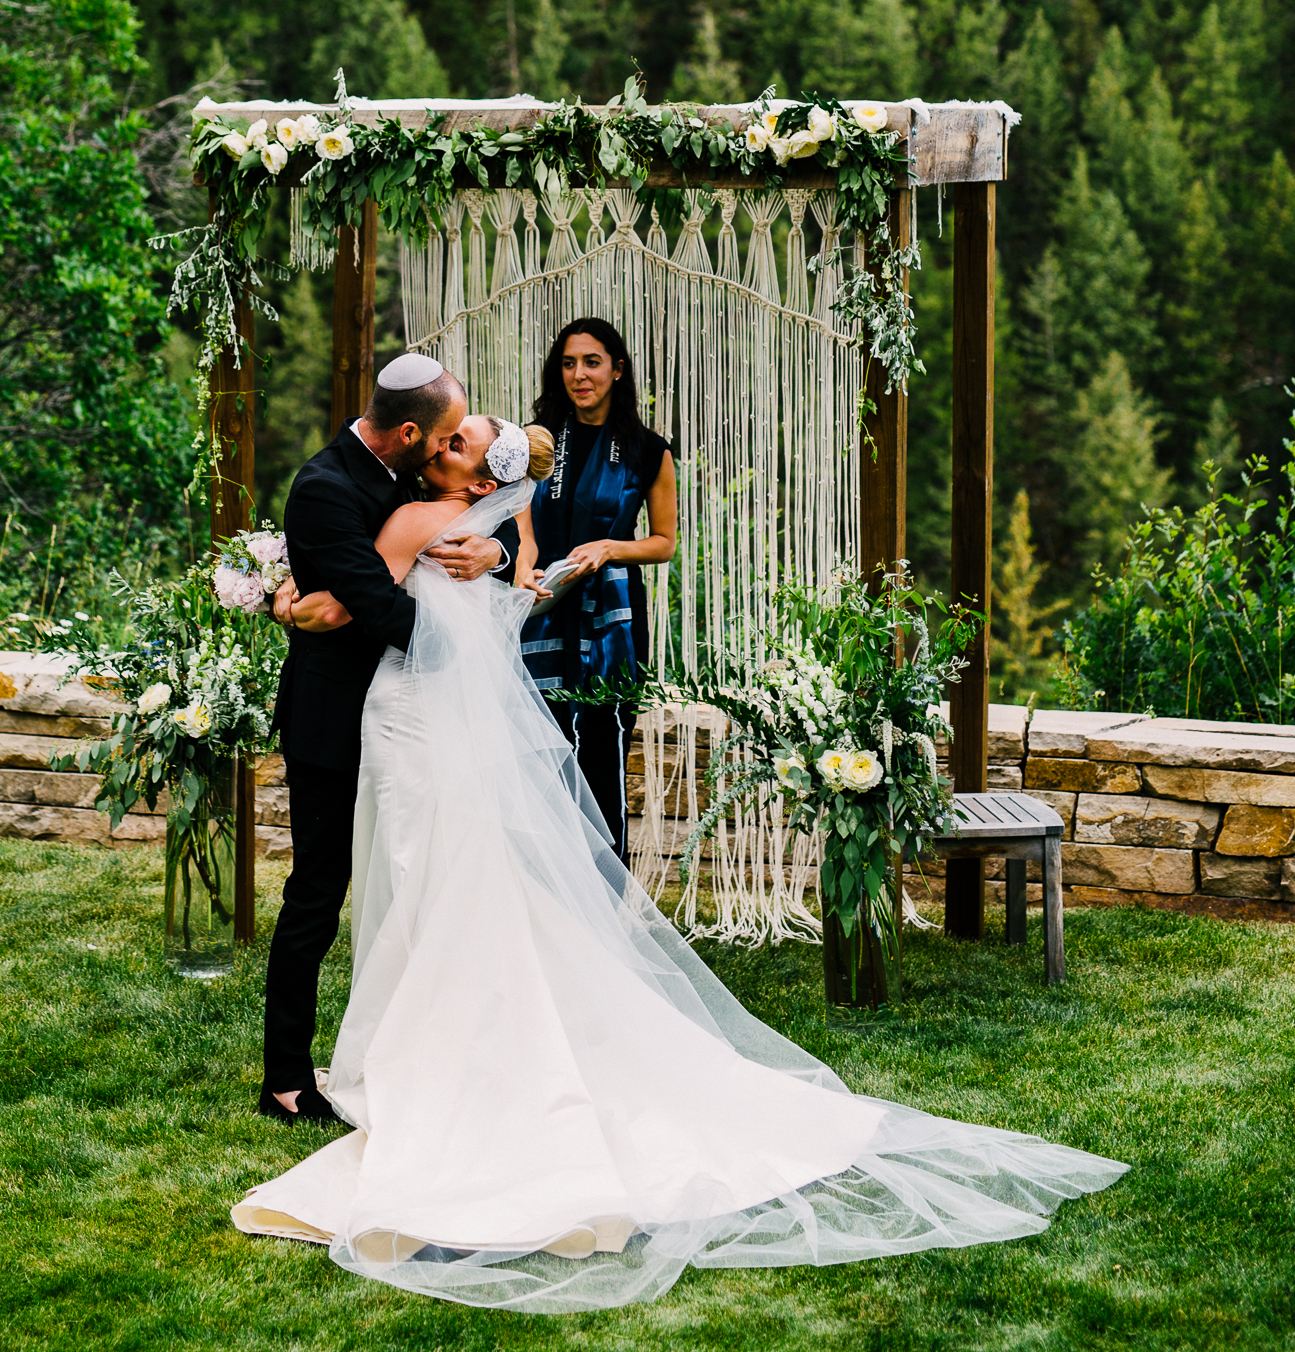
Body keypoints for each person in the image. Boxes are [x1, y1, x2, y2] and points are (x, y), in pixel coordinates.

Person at [231, 437, 1124, 1312]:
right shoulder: (489, 519)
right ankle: (455, 1034)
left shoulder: (423, 513)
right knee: (457, 874)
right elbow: (515, 581)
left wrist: (283, 599)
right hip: (438, 715)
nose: (446, 441)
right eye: (450, 429)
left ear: (474, 469)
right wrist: (501, 551)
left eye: (462, 437)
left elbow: (348, 601)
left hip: (415, 712)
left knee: (429, 873)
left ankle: (437, 1052)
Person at [259, 353, 509, 1126]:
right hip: (336, 720)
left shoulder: (414, 476)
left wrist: (489, 554)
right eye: (438, 443)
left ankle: (416, 1046)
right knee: (317, 894)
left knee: (416, 885)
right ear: (408, 432)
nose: (444, 454)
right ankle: (285, 1077)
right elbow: (380, 608)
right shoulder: (324, 489)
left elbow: (470, 530)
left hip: (408, 720)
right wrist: (461, 633)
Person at [517, 318, 676, 861]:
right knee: (541, 740)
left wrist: (609, 548)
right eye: (568, 363)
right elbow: (516, 515)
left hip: (611, 618)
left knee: (603, 747)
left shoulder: (647, 449)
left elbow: (662, 543)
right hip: (540, 604)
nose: (579, 375)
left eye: (591, 362)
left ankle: (608, 895)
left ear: (617, 369)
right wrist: (527, 558)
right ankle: (544, 891)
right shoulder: (533, 442)